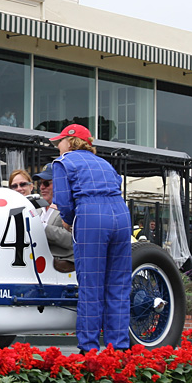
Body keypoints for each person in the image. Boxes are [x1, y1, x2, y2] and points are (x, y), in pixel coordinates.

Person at [49, 123, 130, 352]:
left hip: (92, 215)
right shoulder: (105, 164)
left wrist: (68, 219)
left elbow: (63, 200)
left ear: (71, 141)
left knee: (91, 286)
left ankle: (89, 350)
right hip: (121, 215)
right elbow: (117, 184)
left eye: (60, 141)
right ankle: (119, 349)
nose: (57, 146)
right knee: (119, 286)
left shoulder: (63, 163)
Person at [33, 163, 75, 273]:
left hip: (61, 269)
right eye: (40, 184)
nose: (42, 187)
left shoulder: (70, 208)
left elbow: (73, 239)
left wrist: (42, 227)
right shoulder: (36, 209)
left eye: (46, 183)